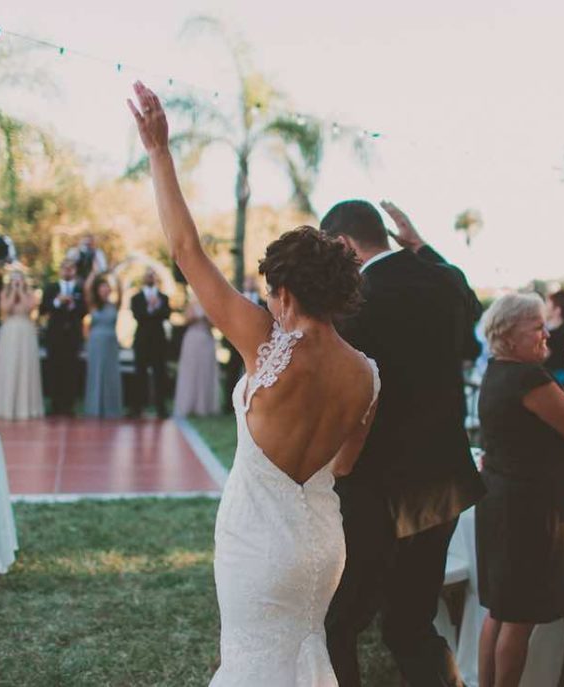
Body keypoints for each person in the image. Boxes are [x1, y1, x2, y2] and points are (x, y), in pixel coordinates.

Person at [131, 81, 380, 686]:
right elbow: (344, 467)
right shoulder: (367, 374)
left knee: (252, 665)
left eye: (269, 290)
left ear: (286, 293)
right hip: (324, 547)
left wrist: (159, 151)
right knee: (302, 658)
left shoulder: (265, 344)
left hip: (258, 548)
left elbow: (187, 250)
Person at [320, 198, 484, 687]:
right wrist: (422, 246)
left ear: (345, 245)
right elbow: (473, 321)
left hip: (377, 488)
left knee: (339, 624)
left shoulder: (355, 300)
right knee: (411, 626)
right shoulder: (443, 281)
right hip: (443, 488)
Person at [475, 293, 564, 686]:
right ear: (509, 335)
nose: (546, 333)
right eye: (537, 326)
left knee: (500, 611)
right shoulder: (528, 378)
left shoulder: (500, 372)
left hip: (502, 500)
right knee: (519, 617)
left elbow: (553, 417)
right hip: (528, 509)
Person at [0, 271, 44, 420]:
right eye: (13, 280)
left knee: (25, 365)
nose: (16, 282)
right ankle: (5, 406)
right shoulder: (4, 294)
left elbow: (28, 308)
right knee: (9, 365)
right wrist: (13, 292)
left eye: (19, 280)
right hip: (9, 331)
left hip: (26, 330)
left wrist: (21, 291)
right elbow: (6, 309)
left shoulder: (30, 294)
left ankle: (26, 407)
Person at [40, 260, 87, 416]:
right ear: (60, 270)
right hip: (55, 336)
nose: (67, 271)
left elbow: (85, 310)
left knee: (71, 370)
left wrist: (73, 304)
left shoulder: (80, 289)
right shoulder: (51, 287)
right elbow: (43, 309)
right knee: (54, 369)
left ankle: (69, 405)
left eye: (71, 268)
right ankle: (54, 404)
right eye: (65, 268)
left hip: (73, 336)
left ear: (74, 270)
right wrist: (57, 302)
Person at [129, 268, 172, 418]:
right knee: (139, 373)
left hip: (159, 341)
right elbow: (137, 315)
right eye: (147, 275)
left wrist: (157, 307)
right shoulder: (136, 298)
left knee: (160, 373)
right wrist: (151, 308)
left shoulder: (163, 298)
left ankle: (161, 408)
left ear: (155, 278)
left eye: (152, 275)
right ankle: (137, 408)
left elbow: (166, 315)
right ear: (143, 278)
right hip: (141, 340)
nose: (149, 277)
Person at [222, 276, 266, 413]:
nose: (250, 283)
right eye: (248, 281)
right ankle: (228, 406)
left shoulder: (263, 303)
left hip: (257, 345)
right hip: (237, 344)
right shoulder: (237, 301)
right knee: (232, 373)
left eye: (253, 281)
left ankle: (256, 406)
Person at [83, 273, 123, 419]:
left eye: (107, 287)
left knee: (111, 373)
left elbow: (121, 290)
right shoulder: (93, 304)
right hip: (95, 342)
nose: (105, 290)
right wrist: (95, 274)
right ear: (98, 290)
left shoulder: (114, 305)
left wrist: (114, 275)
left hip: (111, 342)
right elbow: (87, 288)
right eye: (102, 287)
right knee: (96, 372)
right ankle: (94, 408)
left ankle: (111, 408)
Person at [173, 297, 220, 417]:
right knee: (191, 370)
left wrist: (206, 318)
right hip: (192, 338)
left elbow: (215, 323)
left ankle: (204, 406)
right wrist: (196, 317)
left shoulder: (211, 303)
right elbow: (186, 320)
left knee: (205, 371)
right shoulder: (191, 304)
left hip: (206, 338)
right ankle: (189, 404)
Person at [544, 290, 564, 386]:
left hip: (556, 379)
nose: (544, 308)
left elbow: (543, 356)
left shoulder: (560, 334)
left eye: (547, 305)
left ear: (557, 310)